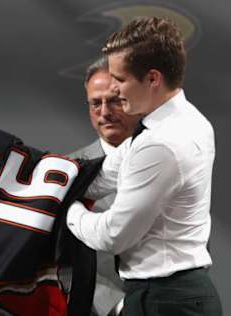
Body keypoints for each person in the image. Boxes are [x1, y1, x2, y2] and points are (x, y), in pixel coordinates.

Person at [66, 16, 222, 316]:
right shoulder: (187, 120)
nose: (116, 90)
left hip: (164, 301)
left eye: (120, 80)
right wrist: (56, 178)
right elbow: (109, 171)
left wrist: (68, 210)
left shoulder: (160, 144)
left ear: (152, 79)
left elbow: (113, 235)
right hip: (173, 296)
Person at [70, 56, 139, 316]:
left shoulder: (170, 156)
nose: (105, 112)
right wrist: (117, 306)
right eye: (95, 103)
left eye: (114, 100)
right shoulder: (65, 173)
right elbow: (58, 263)